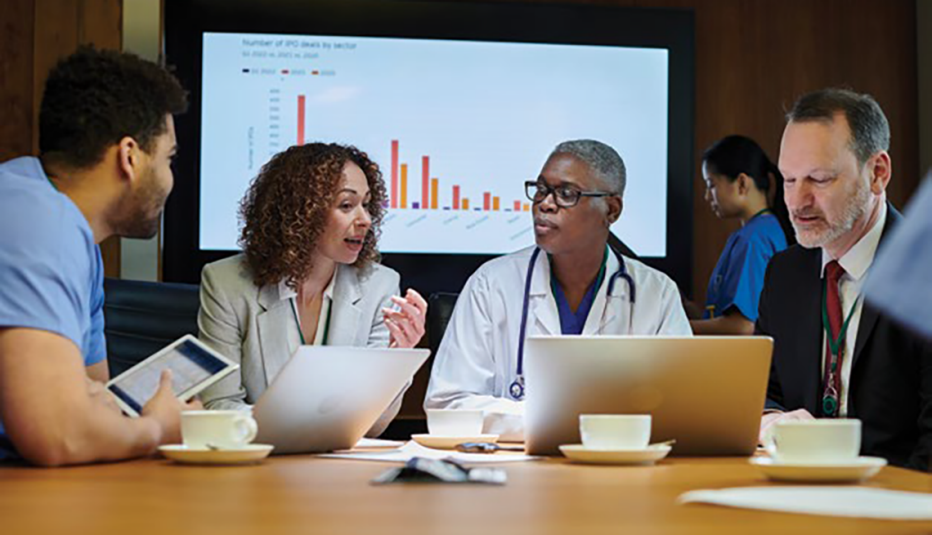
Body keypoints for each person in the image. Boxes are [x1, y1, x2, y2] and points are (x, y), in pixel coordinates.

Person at [0, 47, 199, 466]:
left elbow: (97, 400)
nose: (170, 178)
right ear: (130, 157)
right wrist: (158, 428)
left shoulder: (74, 237)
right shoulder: (40, 223)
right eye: (169, 159)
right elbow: (60, 433)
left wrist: (91, 413)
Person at [425, 140, 692, 441]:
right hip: (515, 476)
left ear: (612, 209)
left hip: (618, 470)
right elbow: (447, 406)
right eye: (541, 189)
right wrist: (565, 421)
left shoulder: (656, 294)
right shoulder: (491, 284)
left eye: (567, 194)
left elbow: (680, 405)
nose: (545, 204)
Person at [198, 142, 427, 436]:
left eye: (367, 204)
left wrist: (397, 360)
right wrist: (299, 425)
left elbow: (372, 427)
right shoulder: (226, 283)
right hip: (259, 463)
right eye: (346, 205)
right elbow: (217, 406)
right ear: (301, 212)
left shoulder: (380, 285)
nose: (366, 220)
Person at [756, 88, 932, 470]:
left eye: (819, 180)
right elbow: (764, 390)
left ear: (877, 174)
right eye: (788, 180)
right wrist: (770, 420)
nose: (797, 202)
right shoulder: (784, 274)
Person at [690, 135, 793, 335]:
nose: (706, 196)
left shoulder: (753, 239)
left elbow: (743, 326)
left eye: (711, 185)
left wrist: (676, 328)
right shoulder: (767, 231)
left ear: (742, 183)